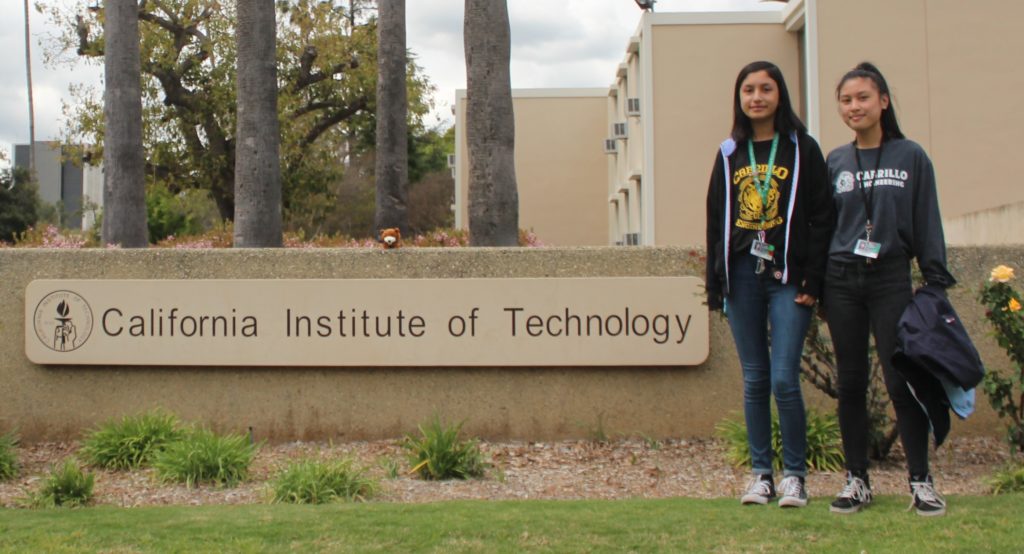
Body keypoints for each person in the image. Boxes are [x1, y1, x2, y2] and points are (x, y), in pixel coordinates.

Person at [824, 62, 956, 517]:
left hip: (890, 277)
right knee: (852, 383)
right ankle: (856, 480)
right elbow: (825, 226)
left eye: (863, 97)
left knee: (904, 381)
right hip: (841, 278)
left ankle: (921, 481)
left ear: (883, 101)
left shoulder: (910, 156)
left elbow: (926, 219)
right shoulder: (837, 161)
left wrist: (935, 279)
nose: (854, 106)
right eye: (846, 100)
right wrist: (814, 285)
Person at [705, 61, 835, 508]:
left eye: (765, 88)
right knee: (755, 379)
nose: (756, 97)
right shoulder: (729, 153)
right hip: (743, 275)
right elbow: (716, 220)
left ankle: (794, 477)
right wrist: (716, 285)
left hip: (788, 276)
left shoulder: (802, 150)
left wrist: (813, 280)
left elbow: (822, 218)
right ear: (738, 98)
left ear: (780, 94)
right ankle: (762, 475)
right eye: (748, 90)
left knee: (784, 379)